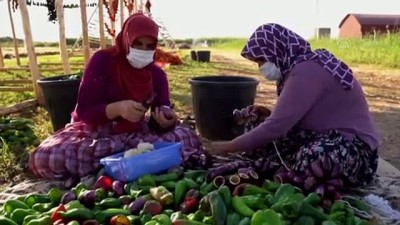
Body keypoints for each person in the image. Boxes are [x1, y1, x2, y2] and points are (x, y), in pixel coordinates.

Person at [29, 13, 203, 180]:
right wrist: (118, 108)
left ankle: (115, 165)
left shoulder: (156, 74)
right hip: (95, 133)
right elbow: (85, 111)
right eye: (138, 44)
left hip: (136, 133)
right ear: (126, 40)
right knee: (48, 155)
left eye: (149, 46)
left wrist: (167, 120)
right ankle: (141, 162)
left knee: (185, 136)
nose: (143, 50)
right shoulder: (103, 61)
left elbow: (159, 115)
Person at [207, 23, 380, 187]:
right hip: (321, 135)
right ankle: (286, 165)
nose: (261, 67)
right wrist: (268, 115)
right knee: (257, 126)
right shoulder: (297, 68)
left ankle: (287, 168)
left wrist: (227, 147)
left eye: (262, 60)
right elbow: (293, 115)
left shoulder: (306, 71)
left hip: (354, 148)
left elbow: (276, 128)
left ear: (277, 51)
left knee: (313, 157)